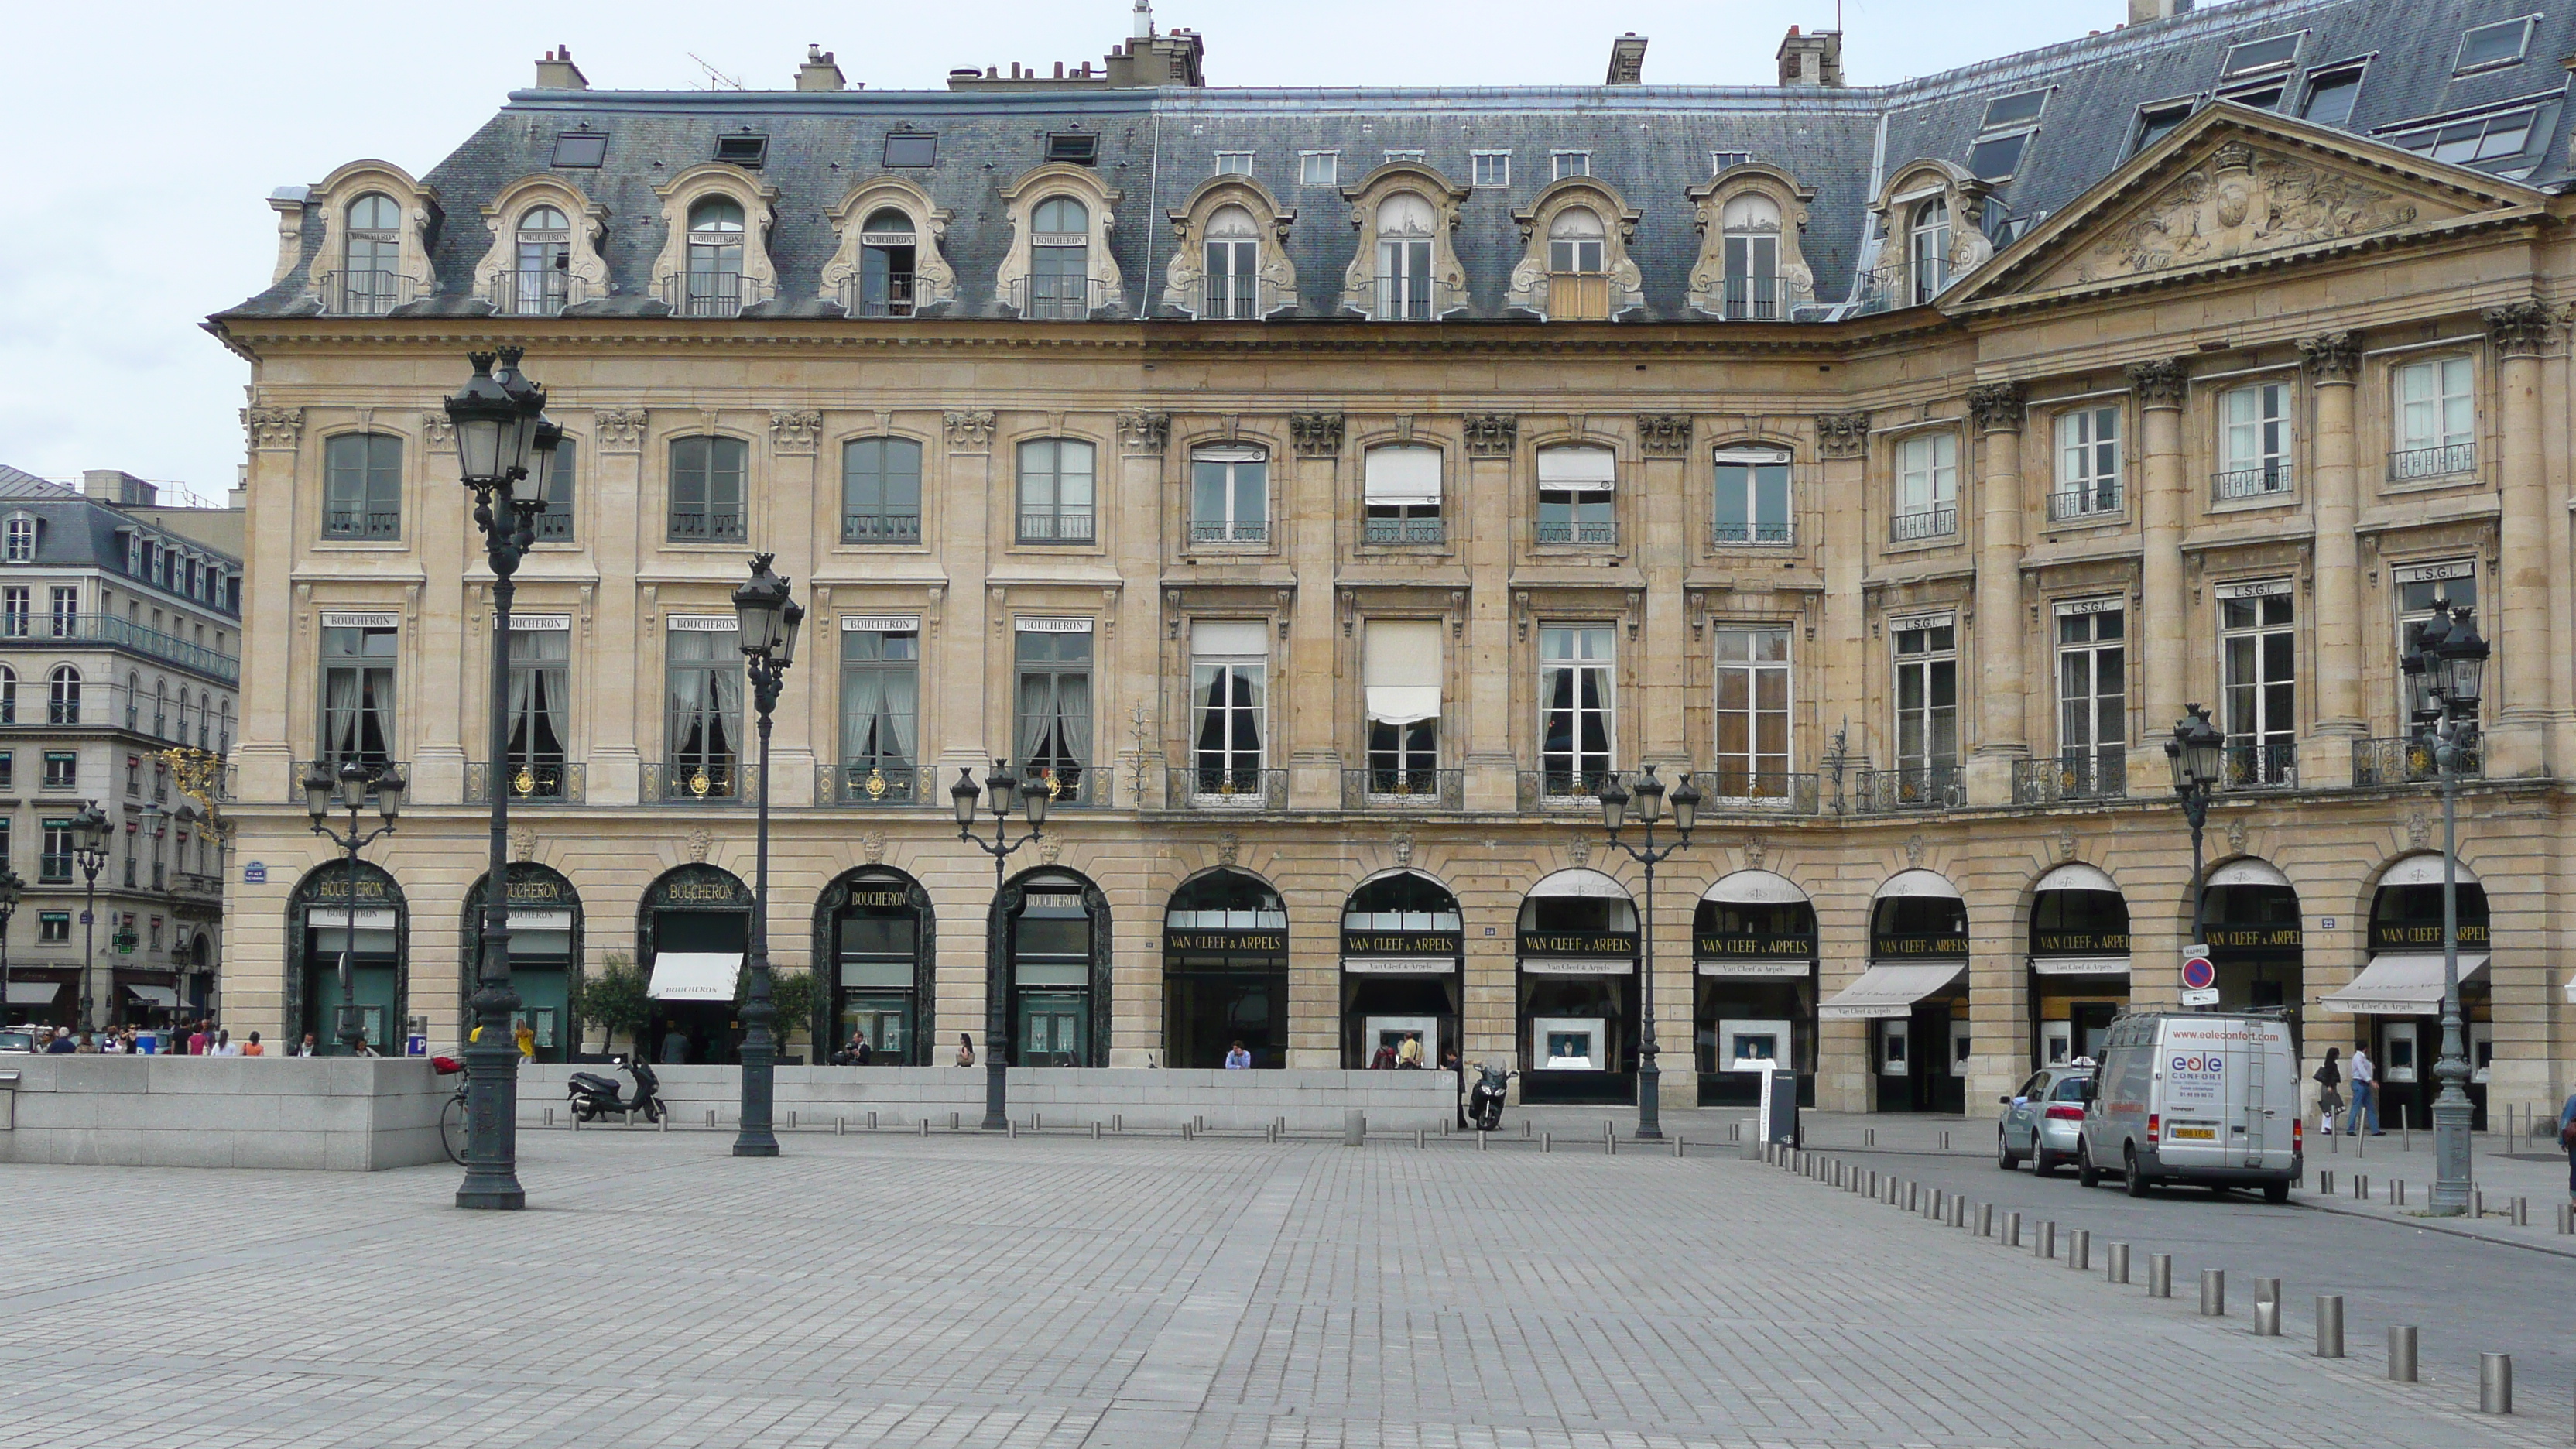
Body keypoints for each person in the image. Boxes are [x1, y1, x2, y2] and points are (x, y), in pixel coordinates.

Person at [2345, 1046, 2380, 1136]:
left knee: (2371, 1107)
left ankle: (2375, 1130)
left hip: (2364, 1084)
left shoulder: (2364, 1058)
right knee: (2356, 1107)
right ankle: (2350, 1129)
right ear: (2365, 1048)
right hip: (2359, 1083)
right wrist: (2371, 1081)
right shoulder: (2358, 1057)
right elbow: (2362, 1071)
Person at [2313, 1047, 2344, 1136]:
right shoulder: (2332, 1065)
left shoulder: (2328, 1063)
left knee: (2327, 1108)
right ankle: (2328, 1126)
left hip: (2327, 1087)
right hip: (2330, 1087)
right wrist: (2330, 1086)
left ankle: (2325, 1127)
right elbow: (2328, 1076)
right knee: (2335, 1107)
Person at [2558, 1088, 2576, 1205]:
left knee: (2575, 1168)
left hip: (2575, 1140)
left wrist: (2562, 1140)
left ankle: (2575, 1200)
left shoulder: (2573, 1100)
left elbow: (2565, 1120)